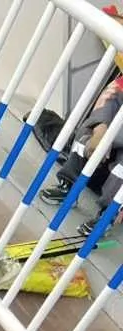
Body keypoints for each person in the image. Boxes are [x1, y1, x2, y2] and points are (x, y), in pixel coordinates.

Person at [39, 73, 123, 238]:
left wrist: (110, 138)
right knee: (85, 136)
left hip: (116, 147)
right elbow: (110, 96)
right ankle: (68, 185)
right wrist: (100, 128)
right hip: (107, 145)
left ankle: (108, 215)